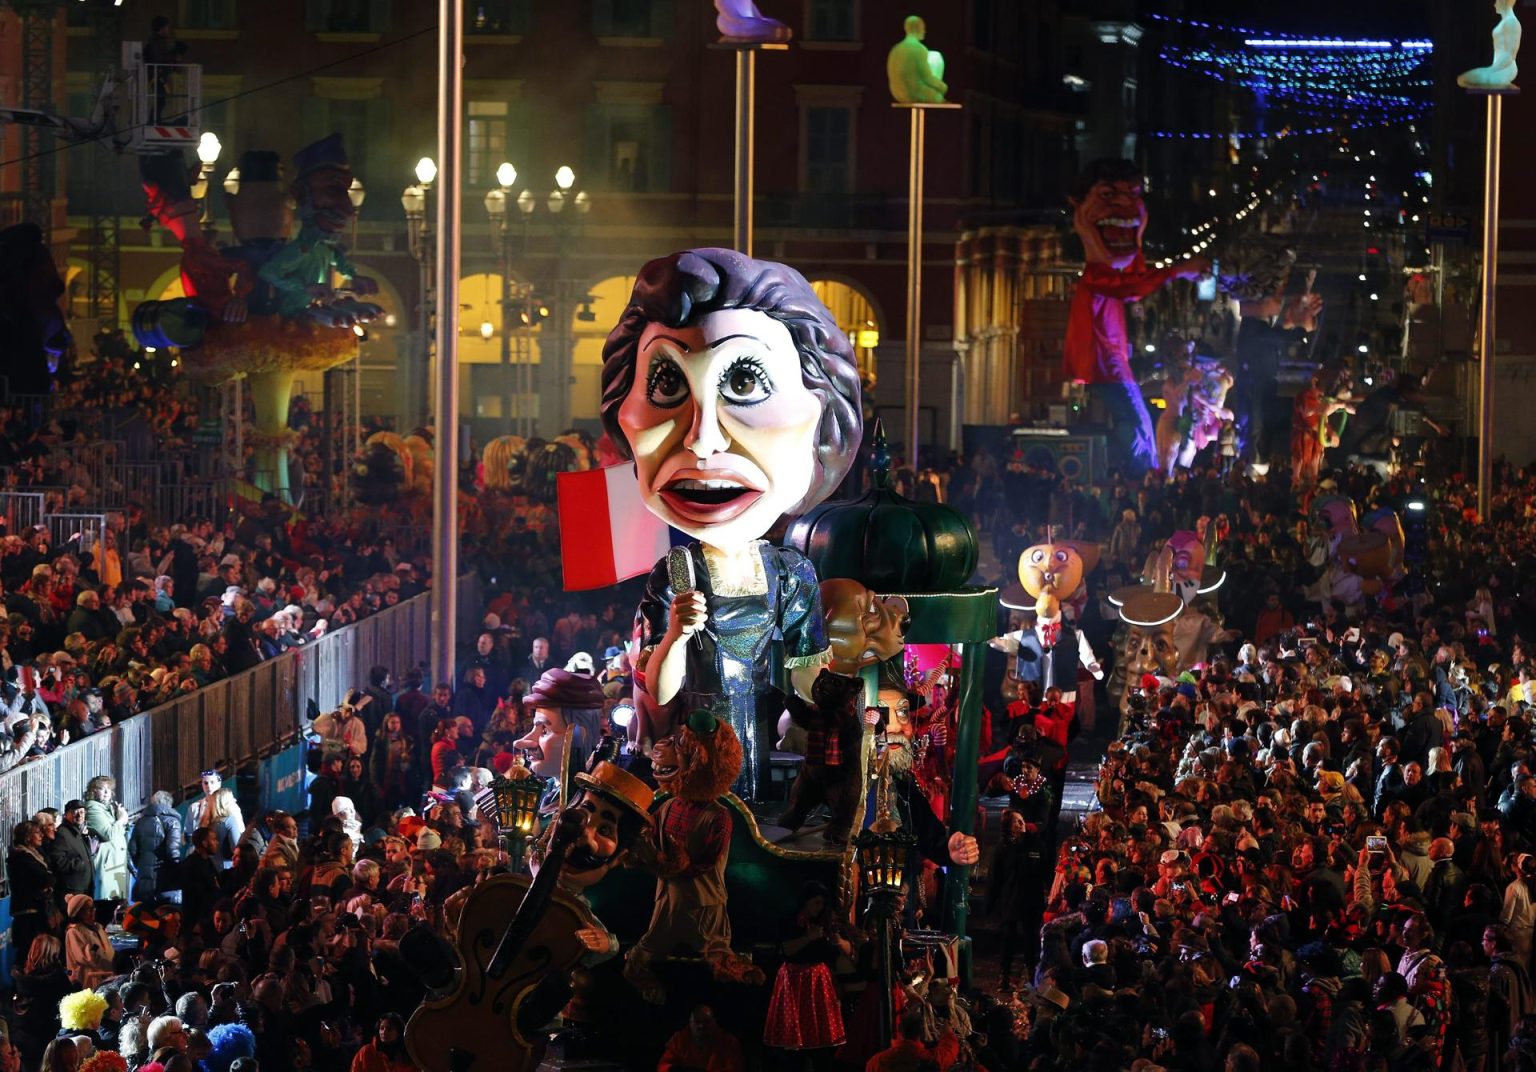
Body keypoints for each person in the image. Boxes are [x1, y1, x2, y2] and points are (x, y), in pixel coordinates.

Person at [601, 249, 860, 798]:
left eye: (743, 382)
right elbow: (659, 687)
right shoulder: (674, 571)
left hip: (759, 735)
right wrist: (675, 634)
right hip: (695, 742)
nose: (702, 439)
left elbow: (804, 677)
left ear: (823, 415)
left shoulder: (791, 576)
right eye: (667, 384)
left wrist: (854, 688)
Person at [7, 820, 57, 962]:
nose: (41, 835)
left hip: (37, 911)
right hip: (28, 914)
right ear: (27, 836)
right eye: (37, 833)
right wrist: (47, 881)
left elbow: (49, 877)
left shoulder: (35, 854)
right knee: (28, 953)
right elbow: (44, 879)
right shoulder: (20, 857)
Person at [83, 775, 130, 901]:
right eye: (102, 789)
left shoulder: (108, 808)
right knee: (106, 902)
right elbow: (109, 834)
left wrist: (120, 818)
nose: (106, 793)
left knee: (118, 904)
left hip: (116, 863)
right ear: (93, 791)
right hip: (107, 863)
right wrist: (121, 820)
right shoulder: (93, 808)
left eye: (108, 790)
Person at [659, 1006, 744, 1072]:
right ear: (690, 1023)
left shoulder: (729, 1042)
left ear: (714, 1022)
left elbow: (734, 1069)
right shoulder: (679, 1040)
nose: (701, 1026)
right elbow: (663, 1066)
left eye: (706, 1022)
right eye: (697, 1022)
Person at [62, 894, 114, 989]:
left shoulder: (98, 928)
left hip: (106, 977)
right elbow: (86, 957)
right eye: (88, 909)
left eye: (93, 908)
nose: (92, 911)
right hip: (88, 982)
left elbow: (109, 949)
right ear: (78, 912)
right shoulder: (74, 932)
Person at [47, 798, 96, 899]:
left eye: (82, 812)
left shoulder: (78, 833)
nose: (79, 815)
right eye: (75, 812)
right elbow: (58, 862)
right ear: (66, 814)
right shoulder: (62, 833)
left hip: (82, 890)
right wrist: (80, 864)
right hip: (72, 892)